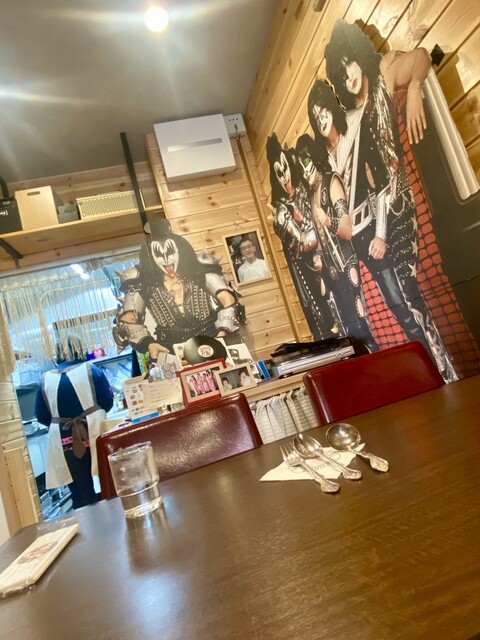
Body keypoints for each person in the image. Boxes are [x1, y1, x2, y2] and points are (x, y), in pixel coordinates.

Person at [323, 22, 456, 379]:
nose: (349, 74)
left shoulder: (382, 73)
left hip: (405, 201)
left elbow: (420, 56)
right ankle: (438, 370)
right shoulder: (351, 118)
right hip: (381, 212)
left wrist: (414, 88)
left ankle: (447, 369)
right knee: (399, 300)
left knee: (418, 289)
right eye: (341, 70)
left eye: (350, 63)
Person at [113, 218, 245, 362]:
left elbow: (228, 299)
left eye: (170, 252)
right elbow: (128, 320)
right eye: (159, 254)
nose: (166, 259)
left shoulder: (198, 270)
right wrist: (149, 343)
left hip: (212, 337)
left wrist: (223, 332)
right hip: (171, 348)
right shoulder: (141, 280)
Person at [295, 127, 377, 350]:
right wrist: (318, 257)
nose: (305, 173)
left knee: (361, 324)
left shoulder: (331, 182)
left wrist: (328, 220)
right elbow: (320, 239)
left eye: (307, 165)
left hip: (346, 262)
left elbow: (347, 230)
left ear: (314, 159)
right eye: (301, 169)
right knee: (349, 333)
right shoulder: (311, 195)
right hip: (332, 271)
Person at [266, 133, 340, 340]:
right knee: (327, 316)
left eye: (285, 169)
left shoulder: (306, 188)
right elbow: (304, 242)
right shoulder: (282, 211)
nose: (284, 176)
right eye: (278, 172)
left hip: (333, 252)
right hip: (311, 268)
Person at [35, 337, 114, 509]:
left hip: (65, 444)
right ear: (81, 350)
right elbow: (107, 402)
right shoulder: (92, 370)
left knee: (81, 494)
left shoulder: (45, 379)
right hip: (95, 434)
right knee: (108, 483)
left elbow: (41, 416)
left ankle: (88, 524)